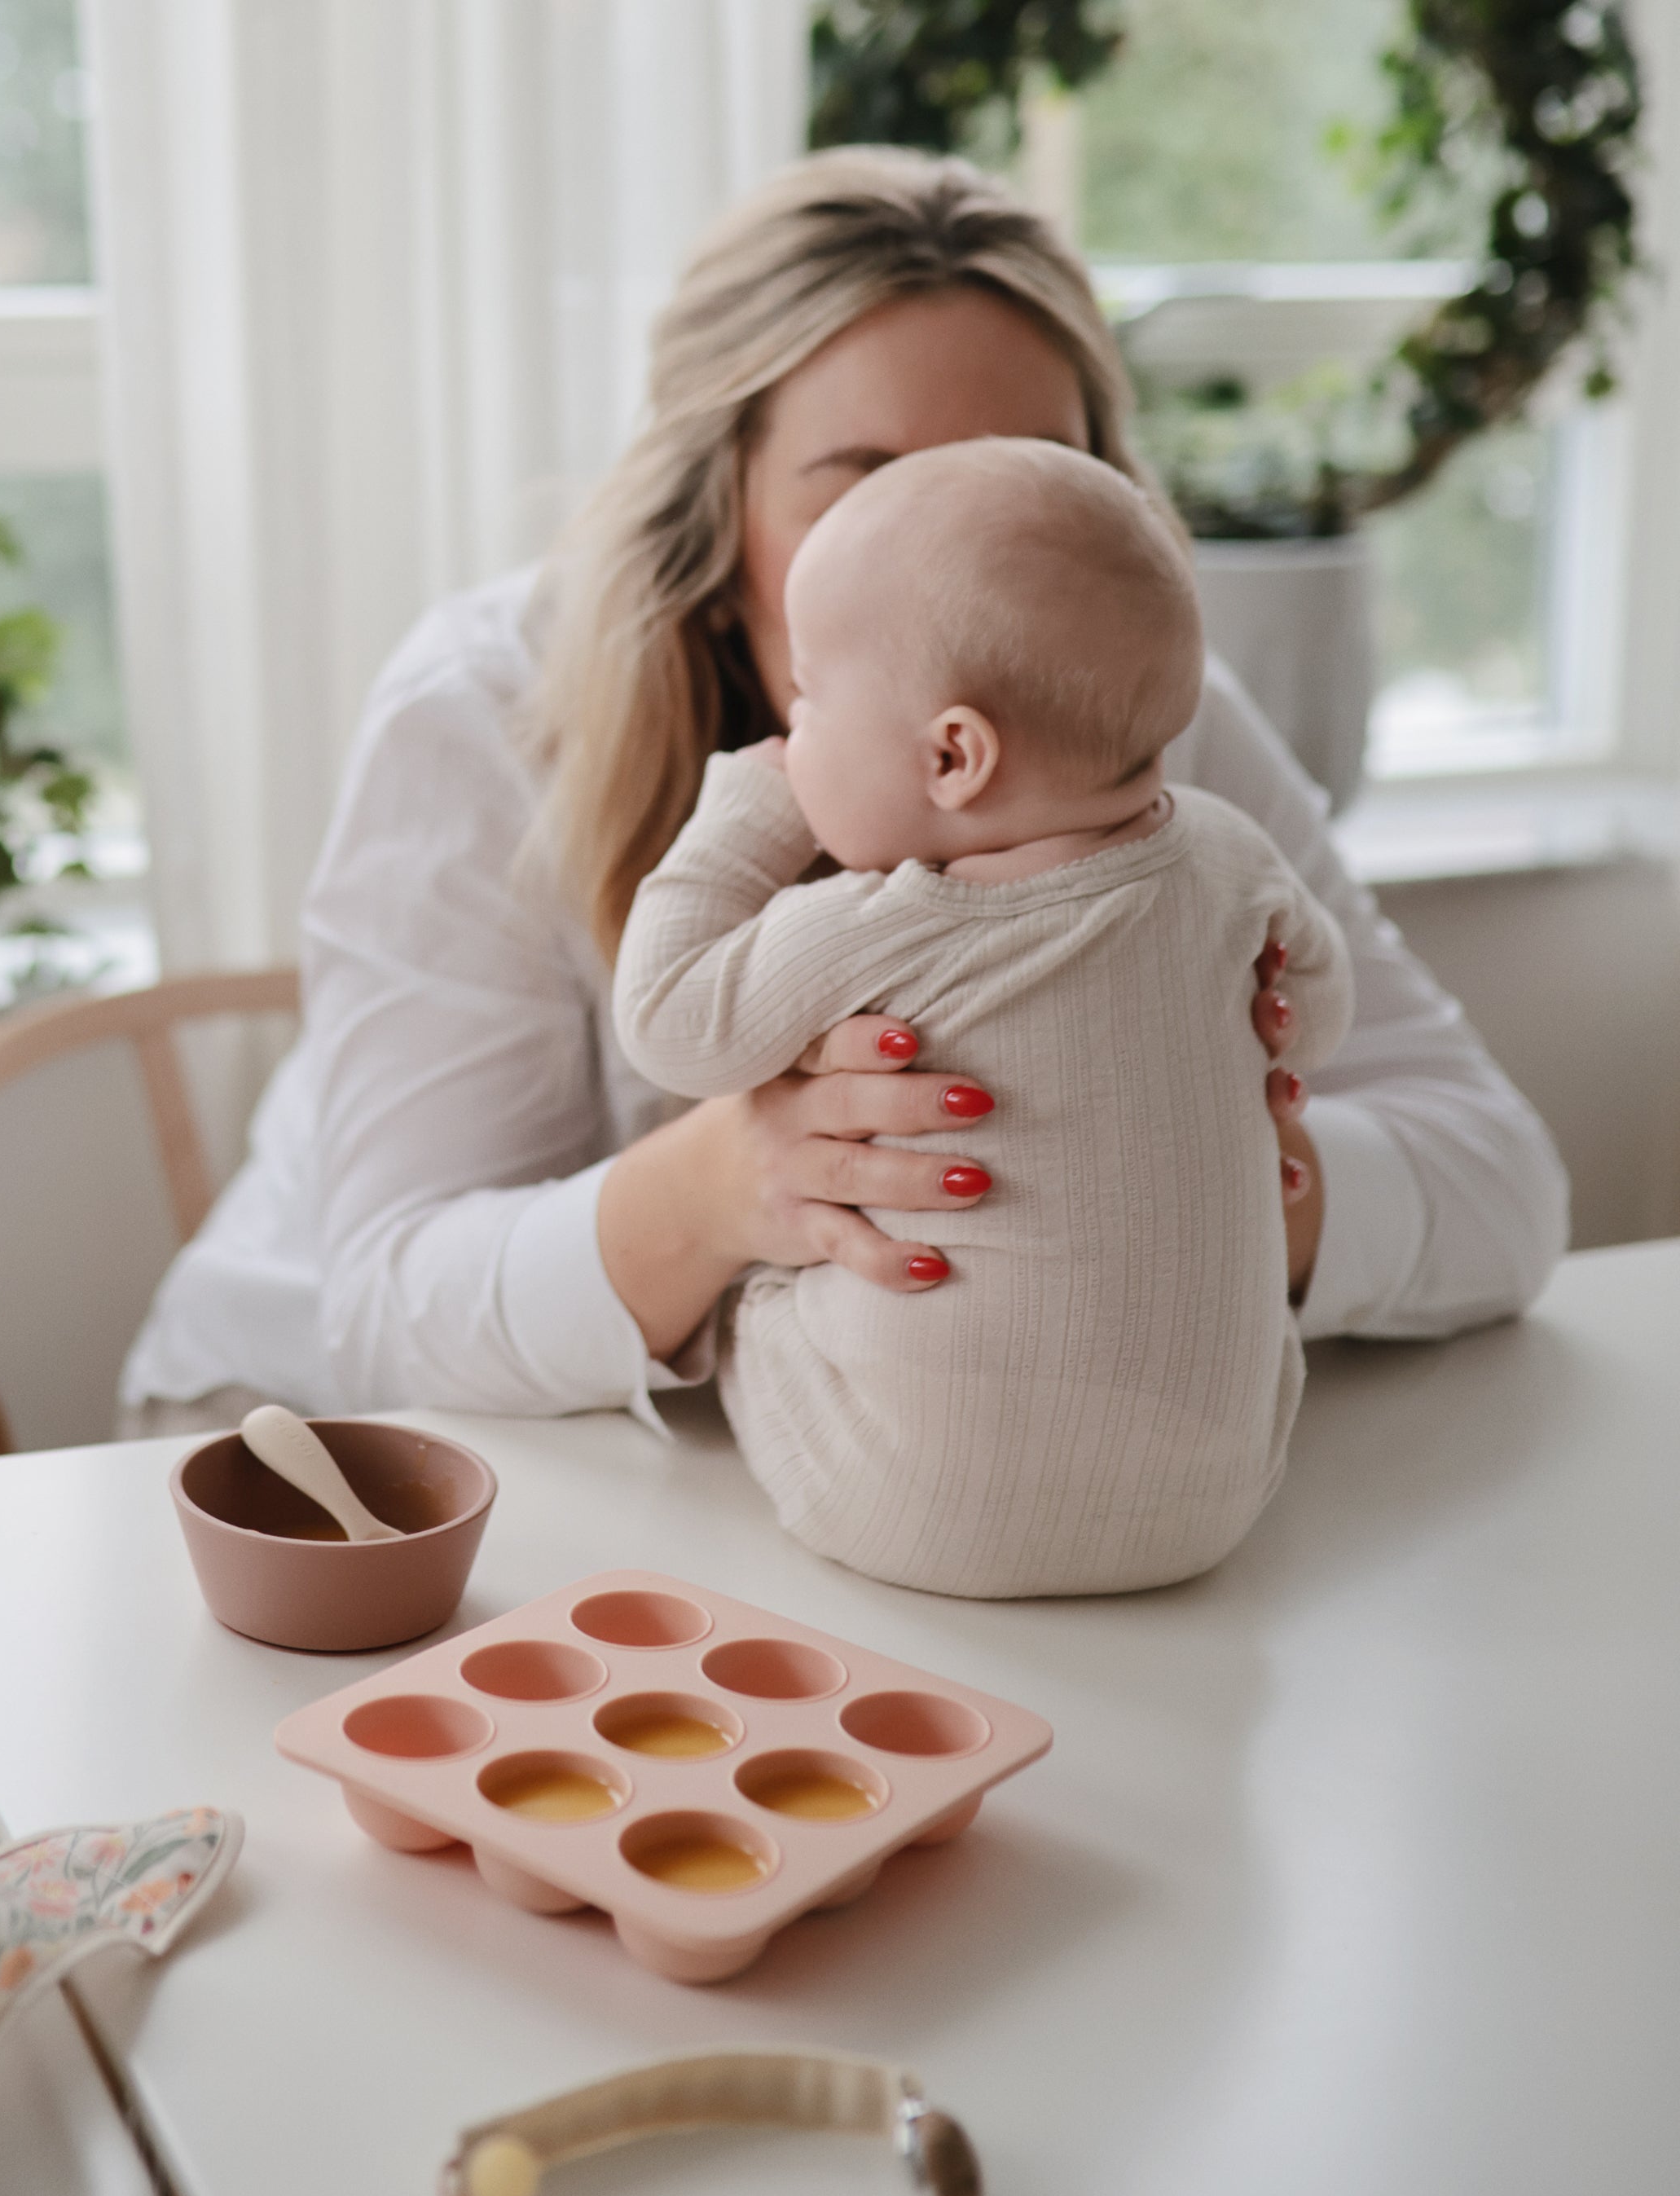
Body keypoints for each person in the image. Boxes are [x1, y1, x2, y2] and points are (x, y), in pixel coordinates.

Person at [120, 147, 1566, 1435]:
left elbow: (1504, 1185)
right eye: (859, 480)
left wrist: (1237, 1176)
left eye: (1017, 481)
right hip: (302, 1447)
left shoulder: (1108, 696)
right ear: (718, 497)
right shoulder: (484, 713)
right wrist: (730, 1187)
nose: (952, 572)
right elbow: (384, 1313)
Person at [612, 438, 1351, 1595]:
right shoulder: (1228, 858)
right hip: (1215, 1504)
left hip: (902, 1507)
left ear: (954, 755)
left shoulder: (884, 921)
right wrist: (1258, 1043)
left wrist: (744, 818)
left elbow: (666, 1021)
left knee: (763, 1297)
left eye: (810, 697)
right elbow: (1320, 1010)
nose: (789, 727)